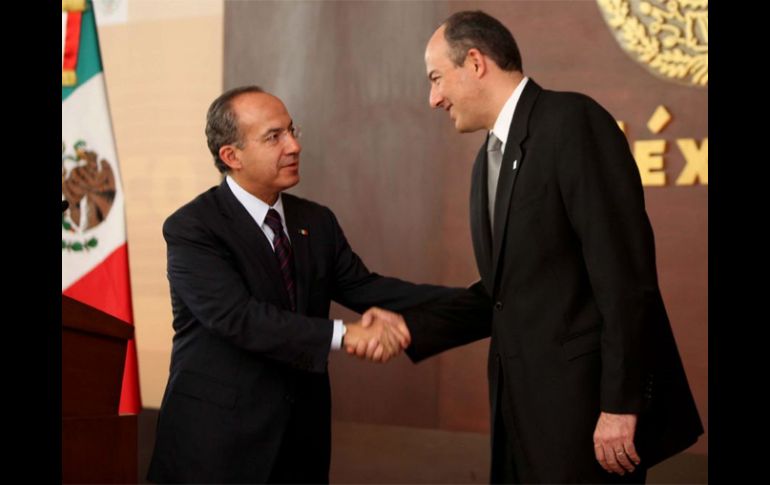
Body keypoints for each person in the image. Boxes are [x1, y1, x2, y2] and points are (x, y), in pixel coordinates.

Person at [362, 10, 703, 483]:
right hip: (519, 419)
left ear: (475, 62)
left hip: (588, 420)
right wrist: (409, 326)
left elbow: (624, 276)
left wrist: (620, 406)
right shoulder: (486, 162)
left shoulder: (572, 123)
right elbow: (502, 296)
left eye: (436, 78)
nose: (433, 98)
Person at [146, 86, 458, 483]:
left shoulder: (316, 221)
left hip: (301, 443)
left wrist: (482, 302)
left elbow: (369, 290)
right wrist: (345, 334)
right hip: (216, 446)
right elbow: (238, 318)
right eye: (274, 137)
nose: (294, 146)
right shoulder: (193, 228)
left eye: (292, 131)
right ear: (231, 156)